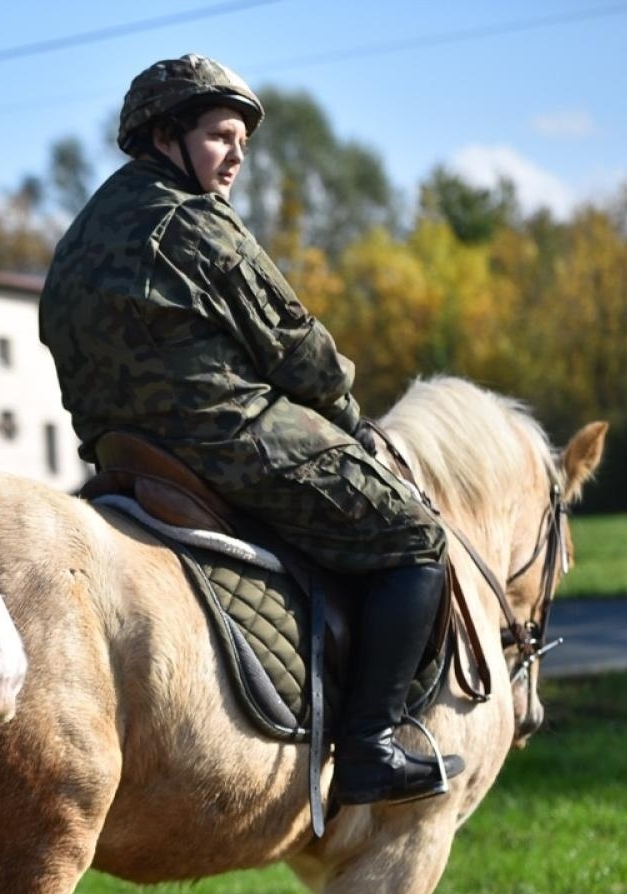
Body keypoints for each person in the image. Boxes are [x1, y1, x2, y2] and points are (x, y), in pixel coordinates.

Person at [39, 54, 463, 806]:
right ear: (164, 135)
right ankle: (369, 747)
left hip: (123, 457)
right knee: (416, 539)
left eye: (242, 142)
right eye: (219, 136)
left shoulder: (75, 240)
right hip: (231, 441)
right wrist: (352, 424)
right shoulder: (196, 222)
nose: (236, 156)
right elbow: (295, 347)